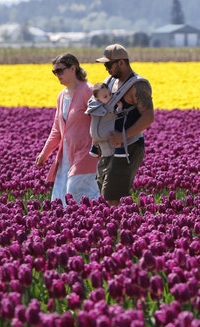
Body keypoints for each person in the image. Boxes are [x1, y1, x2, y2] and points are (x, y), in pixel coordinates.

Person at [35, 53, 100, 205]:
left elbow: (100, 120)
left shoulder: (88, 91)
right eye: (54, 72)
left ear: (73, 68)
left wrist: (101, 147)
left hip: (86, 153)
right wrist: (44, 154)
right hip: (65, 155)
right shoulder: (61, 96)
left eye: (60, 70)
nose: (57, 75)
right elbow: (56, 130)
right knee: (61, 197)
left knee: (78, 195)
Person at [94, 44, 155, 206]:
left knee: (113, 195)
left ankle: (121, 228)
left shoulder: (138, 85)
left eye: (108, 64)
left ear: (121, 62)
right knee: (104, 192)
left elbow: (148, 116)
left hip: (129, 145)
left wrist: (123, 135)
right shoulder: (110, 82)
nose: (106, 68)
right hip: (108, 147)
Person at [85, 82, 124, 159]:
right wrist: (119, 109)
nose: (109, 97)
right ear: (97, 99)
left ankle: (94, 148)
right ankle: (119, 149)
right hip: (105, 133)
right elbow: (115, 114)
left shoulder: (93, 106)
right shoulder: (107, 107)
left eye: (110, 94)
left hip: (95, 133)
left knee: (95, 137)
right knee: (115, 134)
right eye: (105, 97)